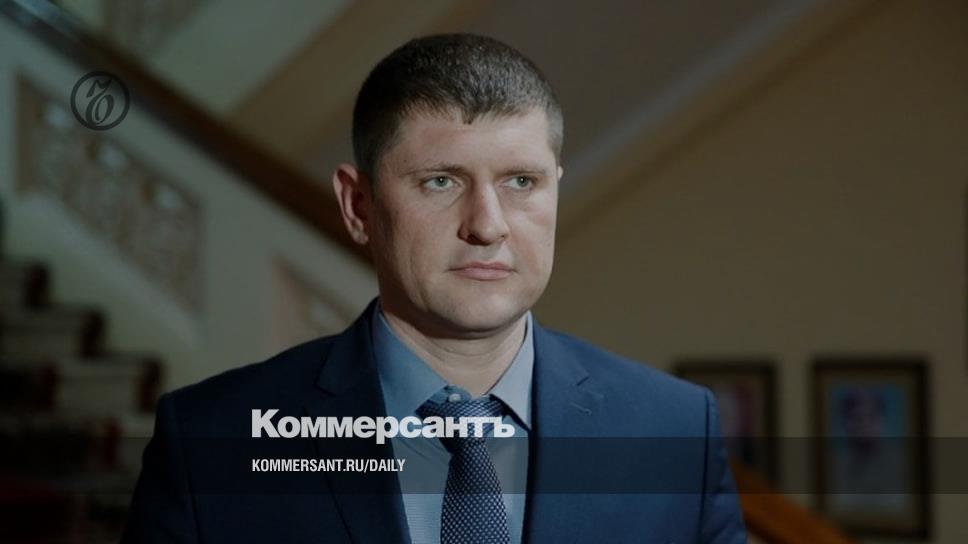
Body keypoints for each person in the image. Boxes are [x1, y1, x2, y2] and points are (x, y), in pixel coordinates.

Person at [123, 33, 747, 543]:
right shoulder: (210, 441)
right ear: (358, 205)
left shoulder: (677, 432)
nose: (488, 226)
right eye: (440, 181)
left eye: (522, 182)